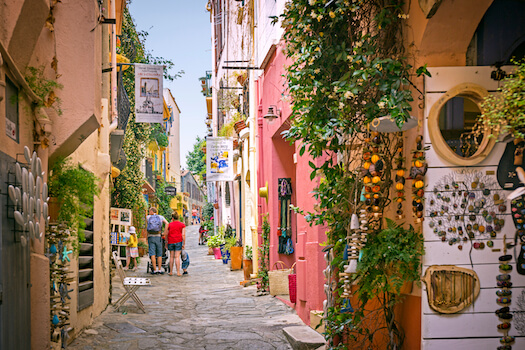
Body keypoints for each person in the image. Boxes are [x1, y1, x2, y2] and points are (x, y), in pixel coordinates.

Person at [146, 207, 169, 275]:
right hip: (158, 236)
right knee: (159, 254)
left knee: (152, 253)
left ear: (151, 211)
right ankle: (159, 269)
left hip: (151, 236)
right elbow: (167, 223)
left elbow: (147, 227)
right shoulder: (161, 217)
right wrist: (164, 233)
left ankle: (154, 270)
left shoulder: (148, 217)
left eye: (149, 211)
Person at [165, 211, 186, 276]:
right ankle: (178, 272)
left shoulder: (169, 225)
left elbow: (166, 234)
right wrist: (183, 243)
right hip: (178, 241)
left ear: (172, 218)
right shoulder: (182, 225)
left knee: (171, 257)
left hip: (171, 241)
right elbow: (183, 235)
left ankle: (171, 272)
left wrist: (166, 242)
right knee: (177, 257)